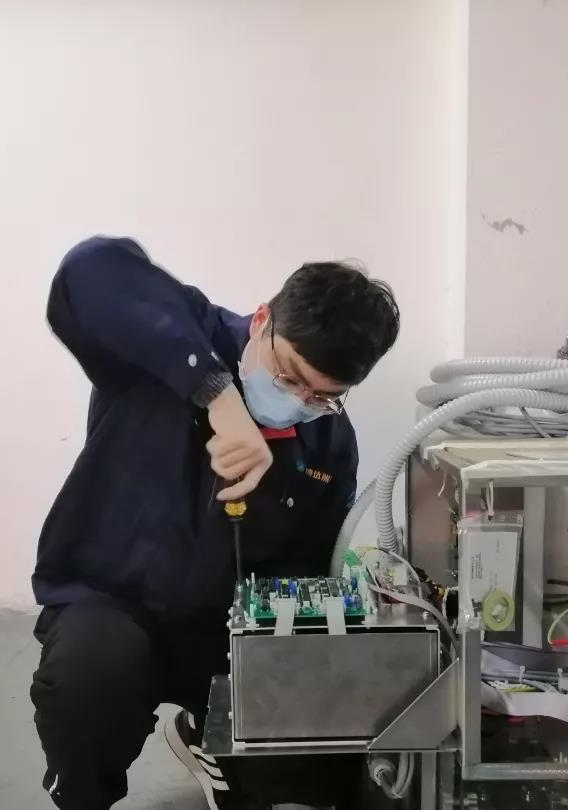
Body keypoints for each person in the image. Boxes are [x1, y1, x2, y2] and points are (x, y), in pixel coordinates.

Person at [29, 236, 400, 810]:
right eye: (289, 375)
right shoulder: (177, 339)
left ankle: (210, 738)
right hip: (111, 601)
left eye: (322, 395)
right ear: (262, 320)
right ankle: (82, 794)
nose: (299, 400)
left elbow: (306, 569)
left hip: (225, 629)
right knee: (91, 681)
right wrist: (215, 394)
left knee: (317, 769)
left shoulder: (328, 441)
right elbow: (89, 268)